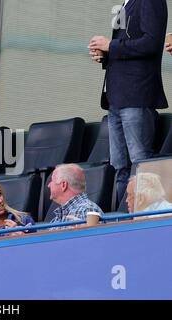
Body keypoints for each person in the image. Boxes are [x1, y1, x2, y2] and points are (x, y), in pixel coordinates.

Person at [88, 0, 169, 203]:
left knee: (140, 163)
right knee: (120, 166)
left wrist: (110, 45)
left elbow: (151, 42)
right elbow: (125, 46)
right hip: (116, 97)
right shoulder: (126, 4)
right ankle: (125, 216)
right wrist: (105, 55)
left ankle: (144, 219)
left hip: (136, 95)